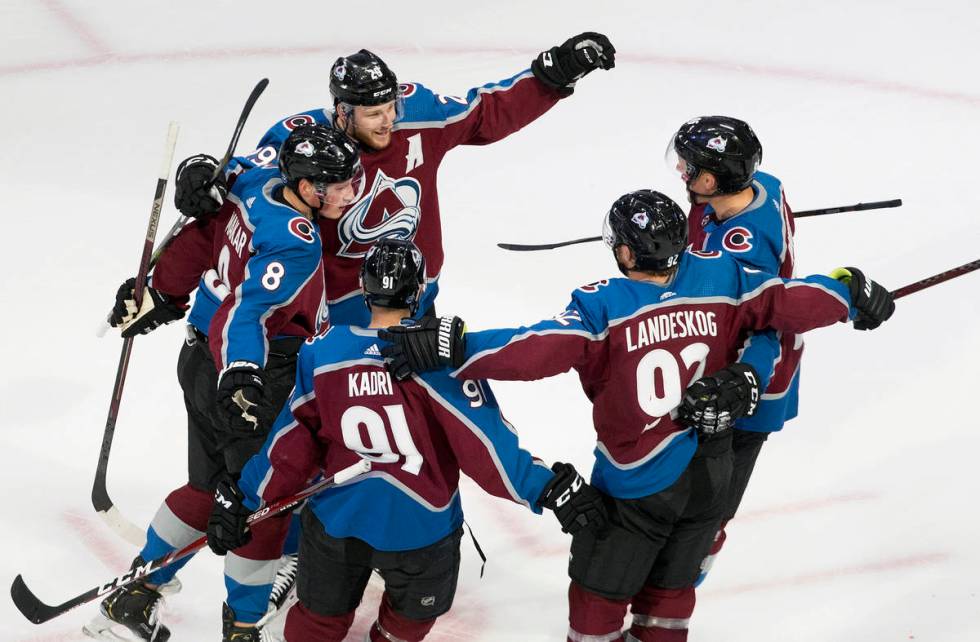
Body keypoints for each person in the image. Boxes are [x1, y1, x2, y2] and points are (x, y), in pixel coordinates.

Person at [378, 190, 895, 641]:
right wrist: (847, 292)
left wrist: (458, 345)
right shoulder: (725, 274)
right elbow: (788, 301)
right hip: (711, 472)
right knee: (672, 589)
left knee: (598, 592)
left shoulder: (606, 305)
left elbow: (538, 349)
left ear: (626, 250)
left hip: (637, 481)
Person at [206, 237, 607, 641]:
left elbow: (291, 445)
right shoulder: (438, 363)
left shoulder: (323, 352)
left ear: (364, 288)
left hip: (337, 519)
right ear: (418, 291)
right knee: (408, 624)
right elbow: (488, 450)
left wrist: (245, 496)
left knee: (317, 621)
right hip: (420, 527)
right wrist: (549, 489)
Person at [84, 125, 362, 642]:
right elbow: (247, 317)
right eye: (341, 185)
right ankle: (243, 629)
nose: (353, 193)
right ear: (307, 188)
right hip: (253, 379)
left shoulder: (255, 180)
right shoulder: (297, 243)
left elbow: (209, 195)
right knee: (260, 507)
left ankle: (133, 597)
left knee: (209, 488)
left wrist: (196, 175)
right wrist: (243, 378)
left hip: (199, 360)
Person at [174, 34, 616, 326]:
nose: (388, 121)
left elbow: (485, 113)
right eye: (373, 114)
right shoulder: (303, 140)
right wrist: (204, 174)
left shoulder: (415, 113)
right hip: (339, 312)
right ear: (342, 111)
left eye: (390, 108)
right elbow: (252, 182)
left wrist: (554, 71)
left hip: (415, 296)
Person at [665, 115, 851, 588]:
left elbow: (760, 319)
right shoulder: (764, 185)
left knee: (714, 495)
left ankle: (693, 562)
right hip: (720, 362)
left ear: (712, 179)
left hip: (750, 377)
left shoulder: (739, 248)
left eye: (689, 168)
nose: (682, 172)